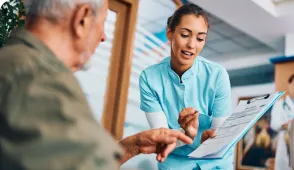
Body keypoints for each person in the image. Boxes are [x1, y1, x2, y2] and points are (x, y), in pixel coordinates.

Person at [0, 0, 193, 169]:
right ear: (82, 18)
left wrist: (132, 147)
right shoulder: (37, 79)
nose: (103, 36)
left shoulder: (14, 63)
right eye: (102, 23)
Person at [139, 4, 233, 170]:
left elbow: (221, 135)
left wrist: (210, 141)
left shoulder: (217, 75)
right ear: (170, 33)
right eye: (184, 35)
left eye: (200, 38)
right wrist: (187, 134)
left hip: (214, 164)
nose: (191, 45)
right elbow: (160, 140)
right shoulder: (149, 78)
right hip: (174, 164)